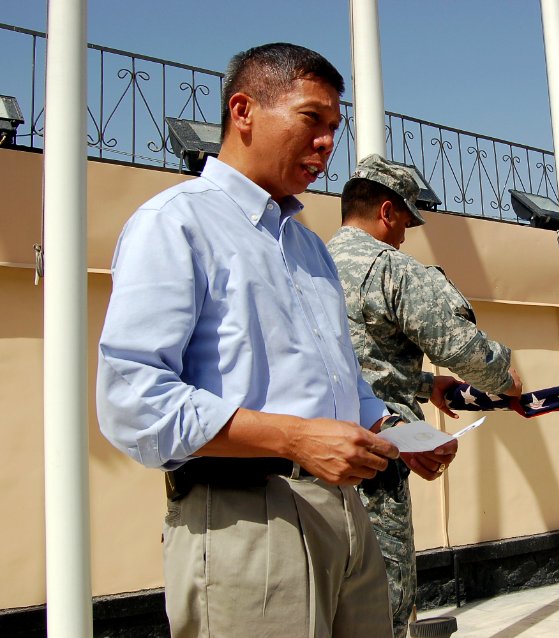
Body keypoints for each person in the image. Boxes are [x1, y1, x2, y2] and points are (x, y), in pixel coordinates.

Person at [96, 43, 448, 637]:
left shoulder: (309, 246)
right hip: (248, 522)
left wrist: (391, 431)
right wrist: (297, 438)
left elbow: (341, 381)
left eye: (335, 127)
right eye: (312, 118)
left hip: (345, 516)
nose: (327, 143)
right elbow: (135, 402)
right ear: (243, 110)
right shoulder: (177, 223)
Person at [328, 153, 523, 637]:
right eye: (404, 223)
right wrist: (508, 380)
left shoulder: (313, 264)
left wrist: (422, 384)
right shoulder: (388, 267)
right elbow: (459, 346)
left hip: (312, 456)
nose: (403, 235)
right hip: (374, 462)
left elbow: (347, 360)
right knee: (382, 604)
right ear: (387, 211)